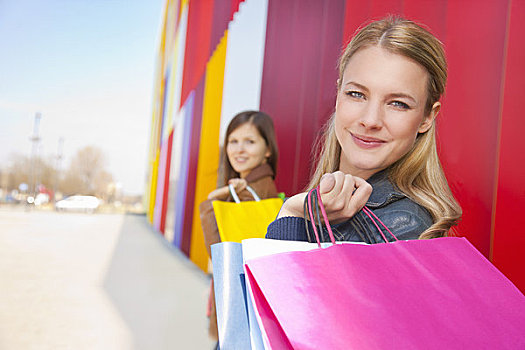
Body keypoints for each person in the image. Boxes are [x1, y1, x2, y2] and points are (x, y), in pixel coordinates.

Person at [267, 16, 461, 243]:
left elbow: (282, 280)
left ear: (427, 117)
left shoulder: (402, 224)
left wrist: (293, 214)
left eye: (398, 103)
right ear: (338, 94)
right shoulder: (324, 202)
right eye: (356, 94)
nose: (370, 120)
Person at [199, 110, 279, 343]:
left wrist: (213, 202)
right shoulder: (251, 188)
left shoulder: (254, 195)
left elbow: (221, 255)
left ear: (267, 150)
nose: (239, 149)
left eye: (250, 141)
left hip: (241, 311)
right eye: (233, 141)